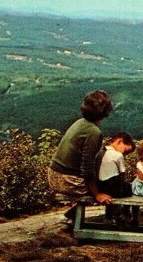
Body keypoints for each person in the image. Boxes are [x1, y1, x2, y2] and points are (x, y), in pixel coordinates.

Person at [48, 90, 115, 220]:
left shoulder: (80, 122)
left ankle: (74, 213)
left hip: (54, 174)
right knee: (112, 186)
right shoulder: (94, 132)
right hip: (66, 180)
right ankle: (114, 216)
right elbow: (87, 169)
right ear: (105, 111)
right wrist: (97, 194)